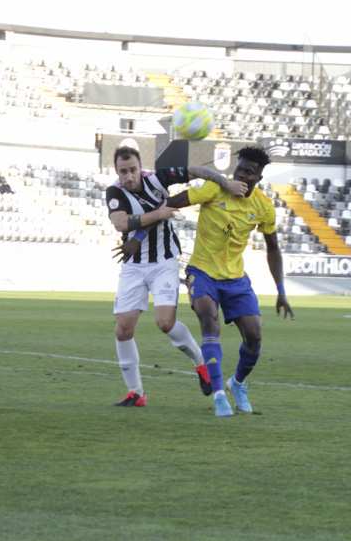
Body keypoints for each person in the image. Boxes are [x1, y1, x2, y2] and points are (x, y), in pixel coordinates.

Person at [144, 145, 295, 416]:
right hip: (202, 272)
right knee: (208, 318)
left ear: (258, 178)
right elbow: (175, 202)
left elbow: (273, 248)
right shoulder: (214, 189)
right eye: (240, 169)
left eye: (250, 172)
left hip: (236, 279)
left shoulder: (263, 206)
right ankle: (218, 396)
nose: (243, 175)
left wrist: (281, 290)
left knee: (254, 337)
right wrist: (140, 229)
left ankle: (237, 384)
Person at [104, 145, 248, 407]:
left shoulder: (157, 178)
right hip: (133, 266)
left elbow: (196, 170)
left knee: (165, 323)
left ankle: (201, 365)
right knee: (122, 330)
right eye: (123, 172)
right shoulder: (115, 191)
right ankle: (135, 393)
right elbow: (120, 223)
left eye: (133, 170)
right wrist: (158, 214)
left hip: (164, 262)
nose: (129, 177)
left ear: (140, 167)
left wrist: (225, 182)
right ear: (117, 172)